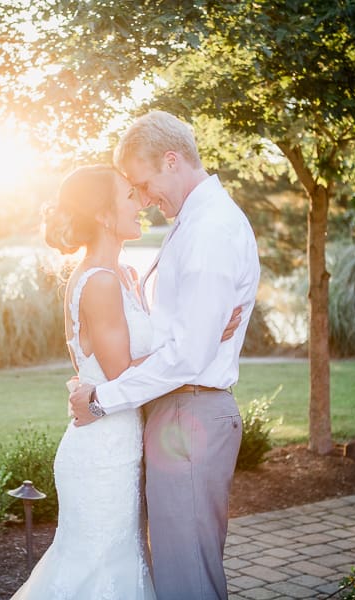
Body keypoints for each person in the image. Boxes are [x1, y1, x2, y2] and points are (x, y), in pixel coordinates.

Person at [11, 164, 241, 599]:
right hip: (102, 453)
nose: (142, 203)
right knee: (99, 571)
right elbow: (120, 373)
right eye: (129, 196)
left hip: (122, 439)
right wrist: (201, 338)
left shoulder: (125, 276)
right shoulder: (99, 282)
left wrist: (199, 329)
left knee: (122, 564)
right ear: (102, 214)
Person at [69, 111, 261, 600]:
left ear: (172, 160)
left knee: (187, 582)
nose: (145, 197)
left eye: (144, 182)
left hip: (190, 411)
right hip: (179, 410)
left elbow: (187, 357)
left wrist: (101, 401)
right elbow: (185, 339)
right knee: (182, 572)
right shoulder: (194, 220)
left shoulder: (210, 228)